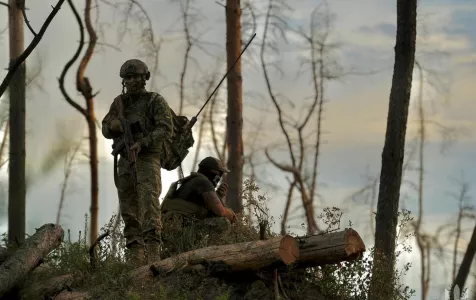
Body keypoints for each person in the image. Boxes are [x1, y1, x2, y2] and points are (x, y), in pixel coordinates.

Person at [101, 59, 175, 266]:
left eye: (136, 77)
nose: (132, 81)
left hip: (147, 159)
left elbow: (165, 128)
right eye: (128, 78)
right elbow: (105, 127)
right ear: (123, 80)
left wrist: (143, 142)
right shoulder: (119, 103)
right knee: (128, 207)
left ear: (145, 78)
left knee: (149, 205)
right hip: (125, 161)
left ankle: (153, 255)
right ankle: (135, 256)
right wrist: (113, 126)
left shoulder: (154, 101)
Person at [160, 157, 237, 241]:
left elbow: (195, 207)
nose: (219, 178)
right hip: (179, 232)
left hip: (170, 232)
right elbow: (221, 212)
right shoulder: (204, 182)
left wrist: (218, 195)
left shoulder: (191, 181)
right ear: (214, 172)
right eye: (220, 174)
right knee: (223, 223)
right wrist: (232, 216)